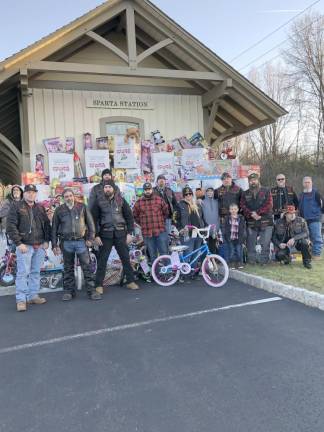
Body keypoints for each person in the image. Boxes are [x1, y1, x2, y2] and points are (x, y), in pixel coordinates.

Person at [6, 184, 51, 312]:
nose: (31, 194)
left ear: (36, 194)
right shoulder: (16, 206)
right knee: (22, 273)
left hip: (39, 245)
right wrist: (19, 243)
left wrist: (47, 240)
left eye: (33, 192)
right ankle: (21, 299)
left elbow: (47, 225)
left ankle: (33, 296)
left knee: (35, 272)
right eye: (28, 192)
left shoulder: (40, 207)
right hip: (25, 246)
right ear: (24, 193)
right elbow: (11, 226)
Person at [51, 188, 100, 301]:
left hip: (81, 242)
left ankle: (92, 291)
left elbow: (91, 224)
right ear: (63, 198)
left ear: (74, 196)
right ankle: (69, 291)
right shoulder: (59, 210)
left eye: (70, 195)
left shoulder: (82, 207)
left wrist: (90, 239)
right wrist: (54, 244)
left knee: (87, 267)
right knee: (68, 268)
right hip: (66, 242)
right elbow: (54, 228)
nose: (69, 198)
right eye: (66, 196)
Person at [91, 179, 139, 292]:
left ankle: (130, 282)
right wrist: (96, 235)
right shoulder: (98, 202)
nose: (107, 189)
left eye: (109, 187)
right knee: (102, 260)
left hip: (120, 233)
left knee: (126, 259)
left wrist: (129, 233)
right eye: (105, 187)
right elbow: (93, 220)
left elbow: (129, 217)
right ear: (103, 189)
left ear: (114, 188)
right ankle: (98, 285)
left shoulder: (121, 200)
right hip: (105, 234)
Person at [240, 173, 273, 265]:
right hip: (251, 222)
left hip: (265, 220)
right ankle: (252, 261)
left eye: (254, 180)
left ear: (258, 180)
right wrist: (251, 214)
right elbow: (242, 205)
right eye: (251, 180)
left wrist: (258, 213)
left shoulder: (266, 190)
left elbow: (269, 204)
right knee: (251, 243)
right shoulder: (245, 193)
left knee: (265, 243)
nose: (253, 182)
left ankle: (264, 261)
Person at [133, 182, 169, 264]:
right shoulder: (138, 202)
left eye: (149, 189)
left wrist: (159, 222)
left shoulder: (159, 199)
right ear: (143, 191)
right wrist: (143, 223)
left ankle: (169, 274)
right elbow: (135, 216)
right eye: (146, 190)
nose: (147, 191)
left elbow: (166, 212)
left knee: (164, 253)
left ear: (152, 189)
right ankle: (155, 274)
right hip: (147, 233)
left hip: (160, 231)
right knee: (152, 255)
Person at [176, 186, 205, 274]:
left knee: (196, 254)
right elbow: (175, 218)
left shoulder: (197, 204)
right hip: (187, 233)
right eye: (186, 194)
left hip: (198, 232)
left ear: (192, 195)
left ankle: (192, 272)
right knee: (188, 253)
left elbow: (202, 218)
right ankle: (183, 272)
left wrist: (207, 227)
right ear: (183, 196)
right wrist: (180, 228)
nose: (188, 196)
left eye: (190, 194)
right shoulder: (179, 205)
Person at [272, 205, 312, 269]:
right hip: (284, 245)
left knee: (304, 242)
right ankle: (287, 259)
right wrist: (279, 244)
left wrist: (294, 239)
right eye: (290, 213)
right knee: (279, 255)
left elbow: (306, 233)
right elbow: (273, 237)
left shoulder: (301, 220)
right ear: (285, 214)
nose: (292, 215)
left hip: (297, 243)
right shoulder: (278, 222)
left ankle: (307, 262)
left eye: (293, 213)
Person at [214, 172, 242, 260]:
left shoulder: (238, 189)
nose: (226, 180)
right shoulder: (217, 191)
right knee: (226, 241)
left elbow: (243, 203)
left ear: (231, 178)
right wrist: (200, 199)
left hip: (236, 219)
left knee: (237, 241)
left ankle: (238, 260)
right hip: (224, 220)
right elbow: (209, 197)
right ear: (222, 180)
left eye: (228, 178)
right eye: (224, 178)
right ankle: (227, 260)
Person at [299, 176, 323, 259]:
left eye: (308, 182)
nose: (307, 184)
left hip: (315, 219)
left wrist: (319, 215)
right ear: (303, 183)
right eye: (305, 182)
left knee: (317, 238)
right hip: (304, 220)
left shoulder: (316, 193)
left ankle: (316, 255)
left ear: (311, 183)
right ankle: (310, 253)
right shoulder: (301, 195)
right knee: (307, 239)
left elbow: (322, 204)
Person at [223, 203, 246, 269]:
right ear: (229, 210)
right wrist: (226, 237)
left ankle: (239, 263)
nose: (233, 210)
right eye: (232, 209)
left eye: (235, 209)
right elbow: (225, 228)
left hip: (239, 238)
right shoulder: (227, 218)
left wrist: (243, 237)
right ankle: (231, 263)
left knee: (239, 251)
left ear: (238, 210)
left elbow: (243, 228)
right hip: (230, 238)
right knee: (232, 251)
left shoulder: (241, 218)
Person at [200, 186, 219, 254]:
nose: (210, 192)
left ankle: (213, 260)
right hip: (206, 227)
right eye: (208, 191)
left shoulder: (217, 202)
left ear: (213, 192)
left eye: (211, 191)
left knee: (213, 244)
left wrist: (217, 227)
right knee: (205, 245)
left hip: (214, 227)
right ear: (206, 192)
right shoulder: (202, 202)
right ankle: (206, 261)